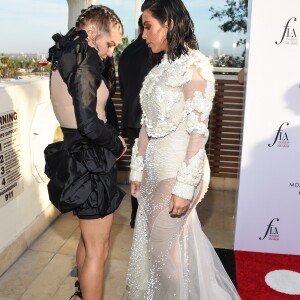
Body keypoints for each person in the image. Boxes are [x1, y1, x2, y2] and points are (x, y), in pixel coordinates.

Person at [125, 0, 241, 299]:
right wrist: (137, 168)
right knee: (161, 250)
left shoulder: (195, 66)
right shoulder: (158, 70)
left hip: (178, 170)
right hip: (153, 169)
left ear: (170, 24)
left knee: (162, 254)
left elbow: (199, 131)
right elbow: (146, 125)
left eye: (148, 26)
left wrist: (185, 186)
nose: (143, 35)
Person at [46, 5, 127, 300]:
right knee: (97, 250)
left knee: (90, 243)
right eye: (109, 44)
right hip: (89, 159)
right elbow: (89, 123)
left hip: (78, 155)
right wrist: (117, 144)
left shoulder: (65, 51)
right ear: (93, 32)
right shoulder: (84, 57)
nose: (109, 53)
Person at [118, 15, 151, 228]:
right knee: (151, 171)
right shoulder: (155, 50)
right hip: (149, 119)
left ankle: (135, 216)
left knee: (136, 167)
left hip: (130, 118)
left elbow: (123, 87)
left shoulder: (127, 52)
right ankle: (148, 217)